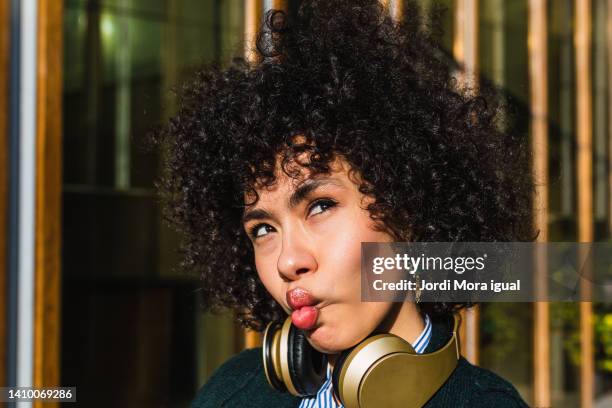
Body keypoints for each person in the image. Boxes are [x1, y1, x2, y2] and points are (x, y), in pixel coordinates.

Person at [154, 0, 534, 406]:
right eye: (263, 229)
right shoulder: (231, 392)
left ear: (406, 206)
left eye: (320, 206)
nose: (287, 261)